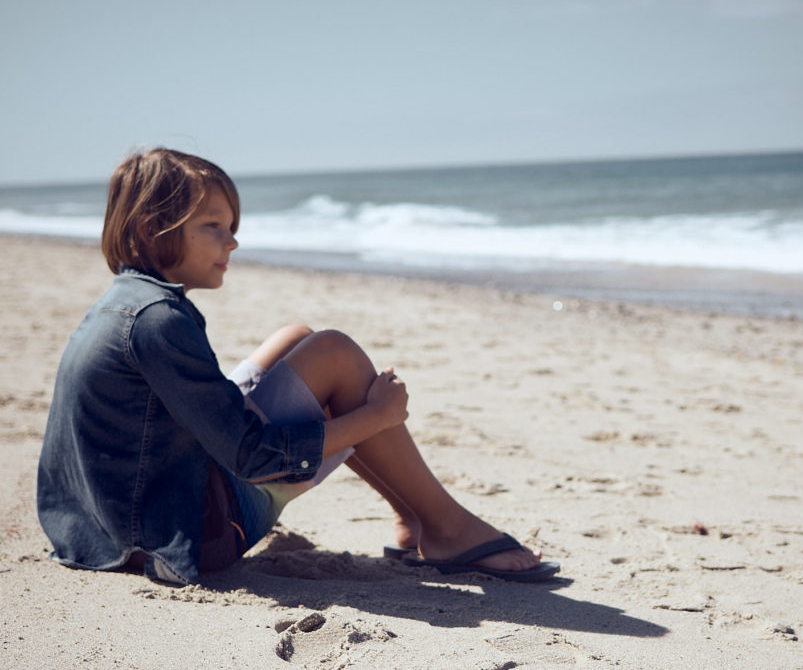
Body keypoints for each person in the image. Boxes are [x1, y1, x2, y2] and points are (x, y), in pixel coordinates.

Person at [36, 148, 559, 585]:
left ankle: (410, 515)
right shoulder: (157, 322)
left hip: (103, 527)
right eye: (214, 226)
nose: (233, 242)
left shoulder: (123, 304)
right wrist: (376, 417)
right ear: (153, 230)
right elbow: (250, 457)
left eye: (232, 226)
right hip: (188, 533)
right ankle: (446, 528)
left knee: (298, 338)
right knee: (336, 354)